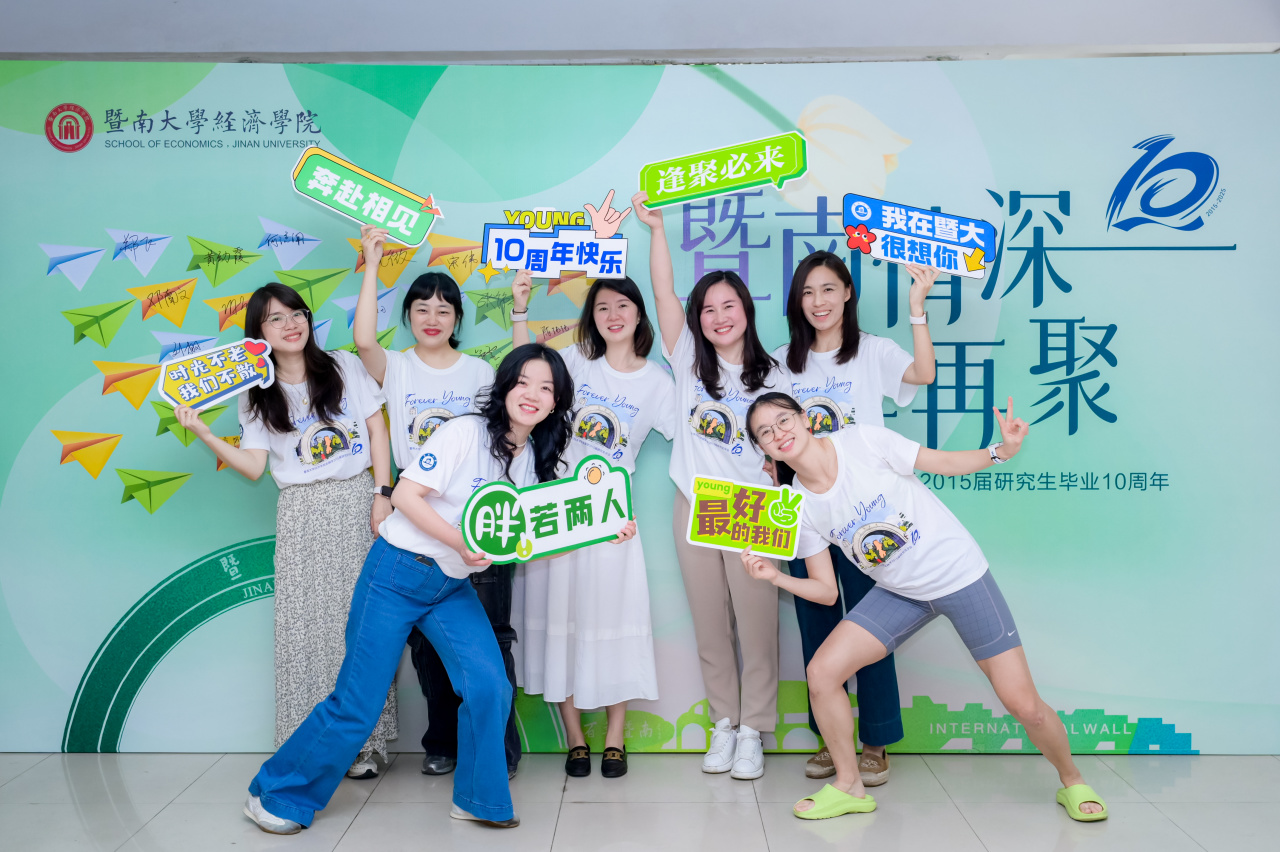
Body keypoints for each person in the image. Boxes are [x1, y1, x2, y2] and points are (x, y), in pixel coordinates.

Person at [243, 344, 636, 834]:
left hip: (449, 587)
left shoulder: (531, 459)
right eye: (523, 382)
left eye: (546, 388)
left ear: (556, 402)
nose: (532, 394)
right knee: (358, 704)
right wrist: (460, 541)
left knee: (490, 686)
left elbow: (528, 543)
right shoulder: (465, 432)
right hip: (396, 573)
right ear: (505, 387)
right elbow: (406, 496)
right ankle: (275, 793)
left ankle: (478, 798)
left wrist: (600, 530)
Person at [740, 392, 1108, 823]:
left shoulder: (862, 442)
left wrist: (1001, 451)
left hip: (959, 576)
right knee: (822, 673)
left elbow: (943, 462)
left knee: (1024, 705)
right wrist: (775, 577)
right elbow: (826, 592)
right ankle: (849, 785)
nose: (778, 433)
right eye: (765, 432)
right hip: (899, 593)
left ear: (805, 419)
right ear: (763, 448)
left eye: (783, 420)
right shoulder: (800, 505)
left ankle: (1072, 780)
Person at [176, 282, 397, 780]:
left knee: (359, 627)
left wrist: (382, 494)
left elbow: (377, 429)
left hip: (356, 502)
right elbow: (254, 466)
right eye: (275, 318)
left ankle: (361, 745)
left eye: (297, 313)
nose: (290, 324)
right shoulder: (255, 394)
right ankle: (313, 745)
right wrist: (205, 433)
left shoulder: (342, 365)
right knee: (305, 631)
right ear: (258, 333)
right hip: (300, 512)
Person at [353, 226, 519, 780]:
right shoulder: (397, 366)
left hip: (481, 511)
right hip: (417, 510)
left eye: (444, 309)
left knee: (490, 635)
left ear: (457, 319)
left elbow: (508, 424)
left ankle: (497, 750)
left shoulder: (479, 372)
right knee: (426, 640)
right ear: (408, 316)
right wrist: (372, 262)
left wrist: (520, 311)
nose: (432, 317)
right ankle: (442, 741)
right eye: (421, 308)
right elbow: (363, 341)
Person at [631, 190, 787, 780]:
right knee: (710, 624)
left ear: (747, 310)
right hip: (696, 502)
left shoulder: (777, 371)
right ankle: (725, 721)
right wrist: (657, 230)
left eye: (729, 306)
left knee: (758, 624)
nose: (719, 317)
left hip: (755, 508)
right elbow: (663, 294)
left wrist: (780, 472)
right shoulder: (687, 360)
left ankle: (754, 730)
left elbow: (792, 442)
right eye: (708, 310)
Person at [510, 238, 675, 779]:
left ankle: (616, 739)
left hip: (612, 518)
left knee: (613, 623)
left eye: (622, 305)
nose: (612, 315)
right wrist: (520, 312)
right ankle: (576, 739)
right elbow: (524, 378)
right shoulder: (576, 362)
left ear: (639, 314)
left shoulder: (658, 382)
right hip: (557, 512)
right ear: (592, 317)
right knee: (563, 622)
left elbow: (694, 442)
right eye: (602, 307)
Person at [772, 252, 940, 784]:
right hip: (803, 511)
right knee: (816, 626)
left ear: (848, 293)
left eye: (828, 289)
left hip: (863, 512)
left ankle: (876, 741)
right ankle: (833, 738)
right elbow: (766, 430)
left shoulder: (872, 351)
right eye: (807, 293)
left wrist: (917, 306)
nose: (818, 302)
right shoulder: (782, 362)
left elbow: (924, 374)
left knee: (871, 625)